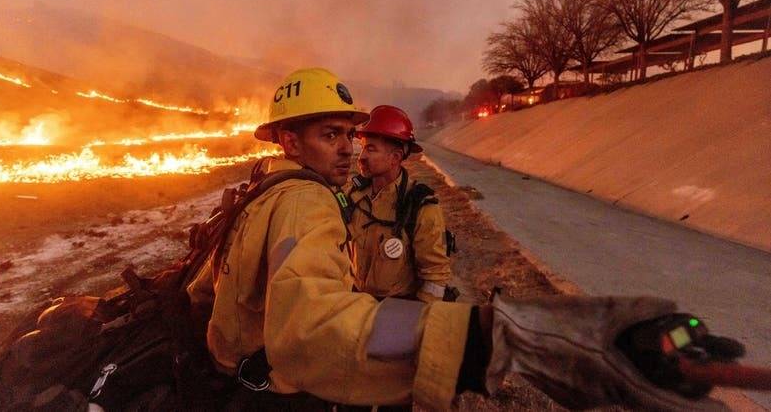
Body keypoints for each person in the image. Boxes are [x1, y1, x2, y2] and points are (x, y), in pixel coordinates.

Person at [186, 67, 732, 411]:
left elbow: (208, 292)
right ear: (288, 139)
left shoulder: (264, 190)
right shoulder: (307, 202)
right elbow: (314, 325)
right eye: (331, 135)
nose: (351, 149)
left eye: (352, 136)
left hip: (263, 371)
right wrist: (492, 340)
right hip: (282, 390)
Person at [346, 105, 453, 302]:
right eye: (362, 148)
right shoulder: (353, 195)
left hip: (396, 310)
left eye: (371, 149)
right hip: (355, 305)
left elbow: (435, 277)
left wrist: (415, 320)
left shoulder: (421, 206)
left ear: (395, 158)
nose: (361, 157)